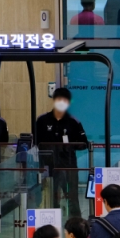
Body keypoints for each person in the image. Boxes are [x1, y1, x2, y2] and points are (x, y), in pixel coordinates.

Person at [35, 88, 88, 217]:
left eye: (64, 100)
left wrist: (70, 146)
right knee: (51, 199)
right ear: (54, 101)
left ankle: (75, 227)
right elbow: (35, 143)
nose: (61, 102)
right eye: (59, 99)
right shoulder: (42, 121)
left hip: (69, 166)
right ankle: (51, 225)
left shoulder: (73, 122)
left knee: (72, 199)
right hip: (49, 168)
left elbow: (84, 143)